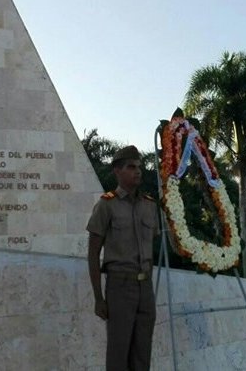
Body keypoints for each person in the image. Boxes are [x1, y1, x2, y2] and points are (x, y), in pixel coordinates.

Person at [86, 145, 159, 371]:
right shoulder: (106, 205)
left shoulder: (150, 205)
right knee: (118, 354)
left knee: (142, 353)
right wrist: (99, 297)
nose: (137, 171)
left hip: (145, 287)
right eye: (131, 167)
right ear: (117, 171)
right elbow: (92, 254)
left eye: (139, 167)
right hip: (120, 285)